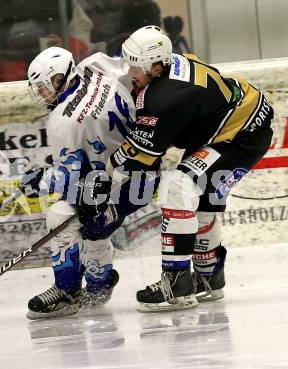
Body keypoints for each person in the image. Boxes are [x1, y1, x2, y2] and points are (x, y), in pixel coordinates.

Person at [106, 26, 273, 312]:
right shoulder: (167, 70)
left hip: (241, 136)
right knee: (201, 202)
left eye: (134, 64)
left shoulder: (163, 97)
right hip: (239, 122)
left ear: (156, 66)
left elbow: (139, 158)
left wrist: (105, 175)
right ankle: (208, 277)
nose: (129, 71)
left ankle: (176, 284)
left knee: (178, 186)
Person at [24, 46, 159, 320]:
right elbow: (134, 70)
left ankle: (83, 287)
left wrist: (38, 182)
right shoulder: (95, 65)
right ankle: (85, 285)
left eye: (43, 87)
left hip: (126, 183)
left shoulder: (63, 122)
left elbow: (72, 178)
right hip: (140, 166)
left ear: (59, 78)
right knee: (75, 217)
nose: (41, 95)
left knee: (80, 219)